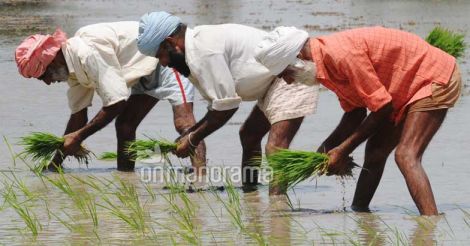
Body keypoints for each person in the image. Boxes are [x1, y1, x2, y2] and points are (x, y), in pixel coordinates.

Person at [254, 26, 462, 215]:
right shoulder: (325, 67)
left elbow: (382, 108)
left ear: (298, 58)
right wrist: (324, 153)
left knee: (406, 155)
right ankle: (360, 214)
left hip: (433, 77)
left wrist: (342, 150)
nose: (289, 81)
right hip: (400, 89)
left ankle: (430, 225)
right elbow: (355, 114)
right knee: (375, 152)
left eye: (286, 74)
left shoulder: (342, 55)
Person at [137, 12, 320, 193]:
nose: (162, 63)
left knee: (275, 149)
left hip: (290, 73)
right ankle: (251, 196)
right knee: (249, 135)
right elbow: (218, 106)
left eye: (160, 55)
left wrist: (192, 138)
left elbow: (226, 107)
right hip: (271, 82)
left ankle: (277, 208)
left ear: (170, 42)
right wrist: (190, 135)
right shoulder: (195, 49)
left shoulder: (204, 51)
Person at [15, 21, 206, 173]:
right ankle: (126, 177)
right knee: (125, 125)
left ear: (53, 59)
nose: (48, 82)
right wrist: (55, 163)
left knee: (184, 123)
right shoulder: (72, 70)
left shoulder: (87, 53)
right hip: (141, 69)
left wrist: (79, 137)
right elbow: (78, 117)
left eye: (44, 76)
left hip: (167, 55)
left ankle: (200, 179)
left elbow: (116, 103)